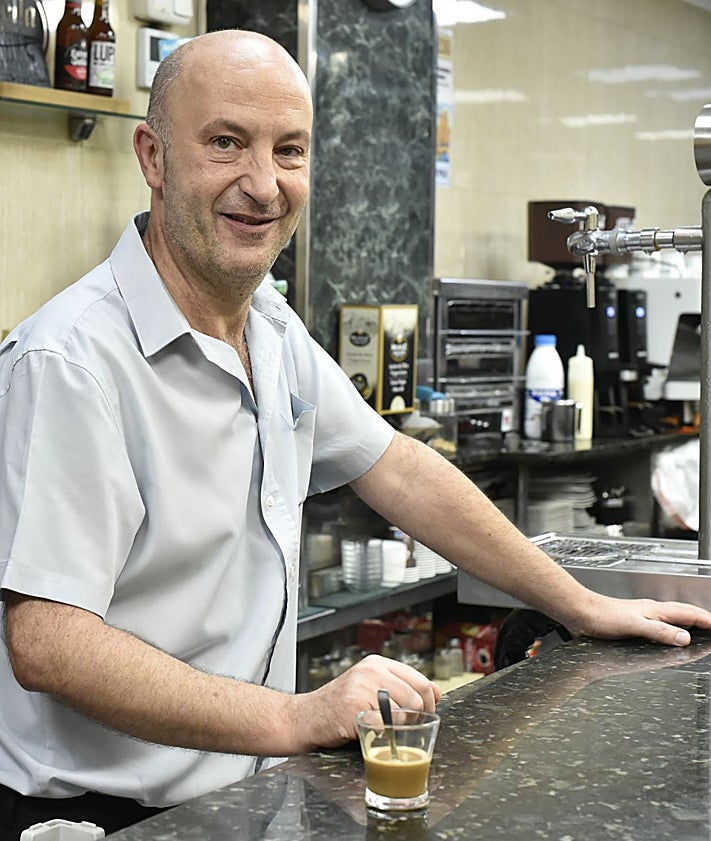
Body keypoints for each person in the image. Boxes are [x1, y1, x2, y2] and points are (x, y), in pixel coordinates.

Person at [0, 28, 710, 839]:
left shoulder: (268, 327)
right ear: (153, 156)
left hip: (236, 800)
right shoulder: (70, 361)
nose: (262, 184)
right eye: (225, 142)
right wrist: (296, 717)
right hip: (98, 819)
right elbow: (50, 643)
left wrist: (580, 604)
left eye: (289, 150)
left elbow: (398, 467)